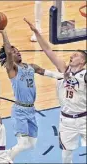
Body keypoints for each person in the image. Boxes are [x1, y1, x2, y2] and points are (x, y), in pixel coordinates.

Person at [0, 29, 64, 161]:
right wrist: (4, 33)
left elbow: (47, 73)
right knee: (23, 143)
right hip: (19, 110)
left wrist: (62, 76)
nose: (17, 52)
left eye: (17, 51)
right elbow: (8, 51)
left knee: (31, 144)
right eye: (14, 52)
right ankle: (6, 159)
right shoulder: (12, 69)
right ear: (9, 57)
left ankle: (8, 154)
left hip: (31, 109)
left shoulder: (31, 66)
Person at [24, 18, 87, 163]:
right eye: (72, 54)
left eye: (76, 55)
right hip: (66, 121)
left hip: (84, 118)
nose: (72, 56)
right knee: (66, 156)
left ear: (83, 62)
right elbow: (48, 50)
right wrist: (37, 33)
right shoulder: (63, 70)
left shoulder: (84, 75)